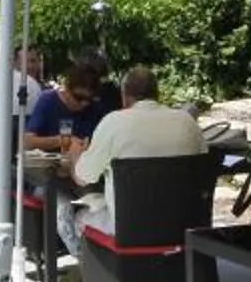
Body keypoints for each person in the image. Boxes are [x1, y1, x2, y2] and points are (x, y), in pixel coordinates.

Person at [55, 67, 205, 257]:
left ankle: (100, 277)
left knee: (78, 217)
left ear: (124, 97)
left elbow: (82, 178)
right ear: (157, 94)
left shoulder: (114, 123)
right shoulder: (187, 122)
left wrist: (76, 154)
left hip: (130, 230)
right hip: (183, 225)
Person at [25, 51, 115, 155]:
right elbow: (28, 141)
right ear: (67, 90)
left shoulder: (96, 108)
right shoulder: (48, 101)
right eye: (79, 97)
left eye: (89, 99)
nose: (84, 103)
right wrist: (62, 140)